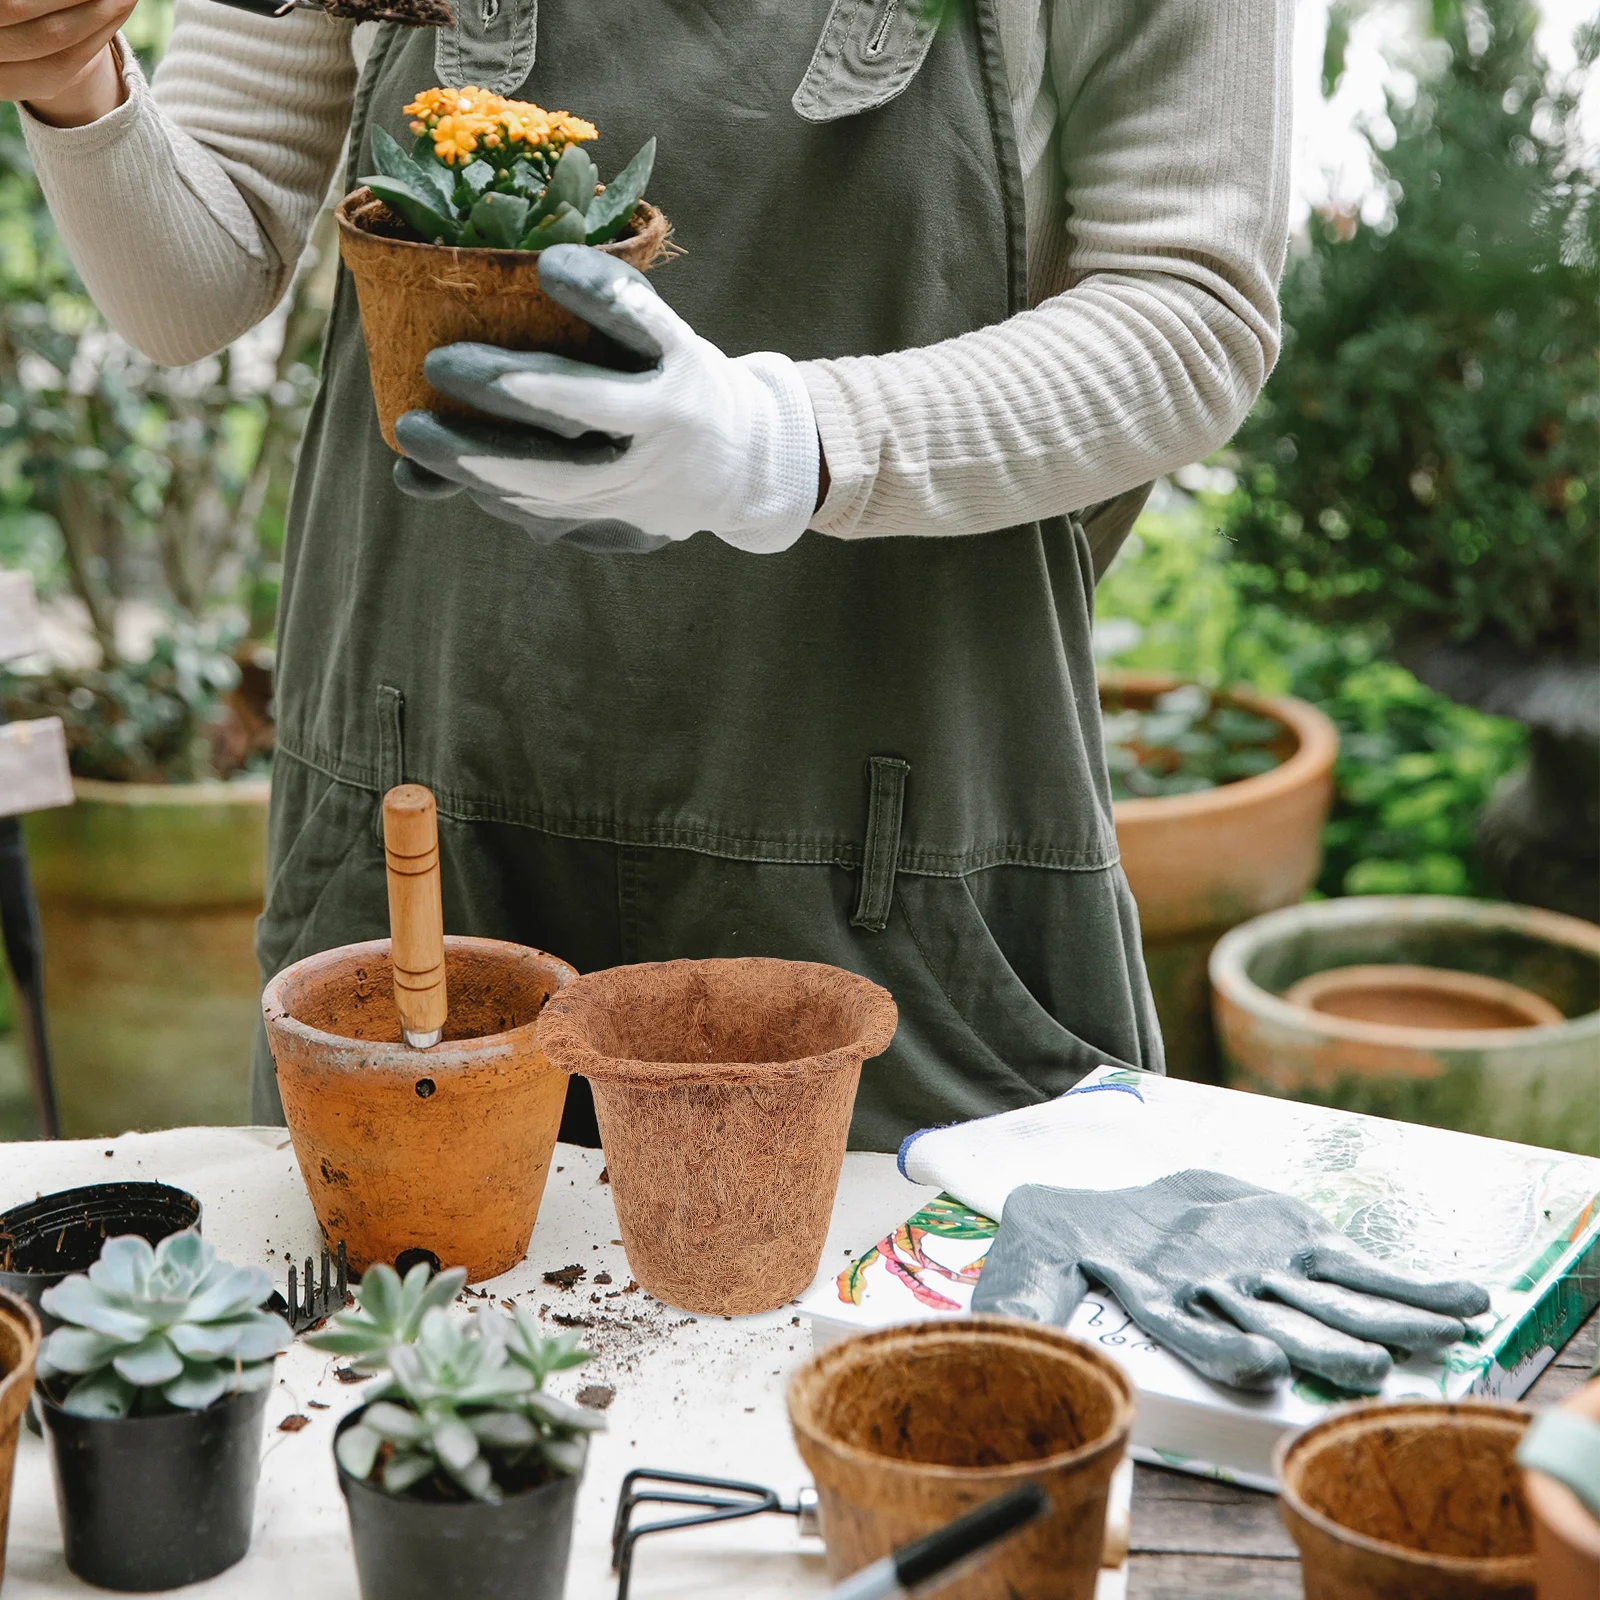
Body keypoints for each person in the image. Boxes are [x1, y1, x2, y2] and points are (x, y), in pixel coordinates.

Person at [4, 0, 1289, 1150]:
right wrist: (71, 78)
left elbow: (1188, 307)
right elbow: (193, 281)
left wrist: (774, 447)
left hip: (888, 839)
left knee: (899, 1331)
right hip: (424, 819)